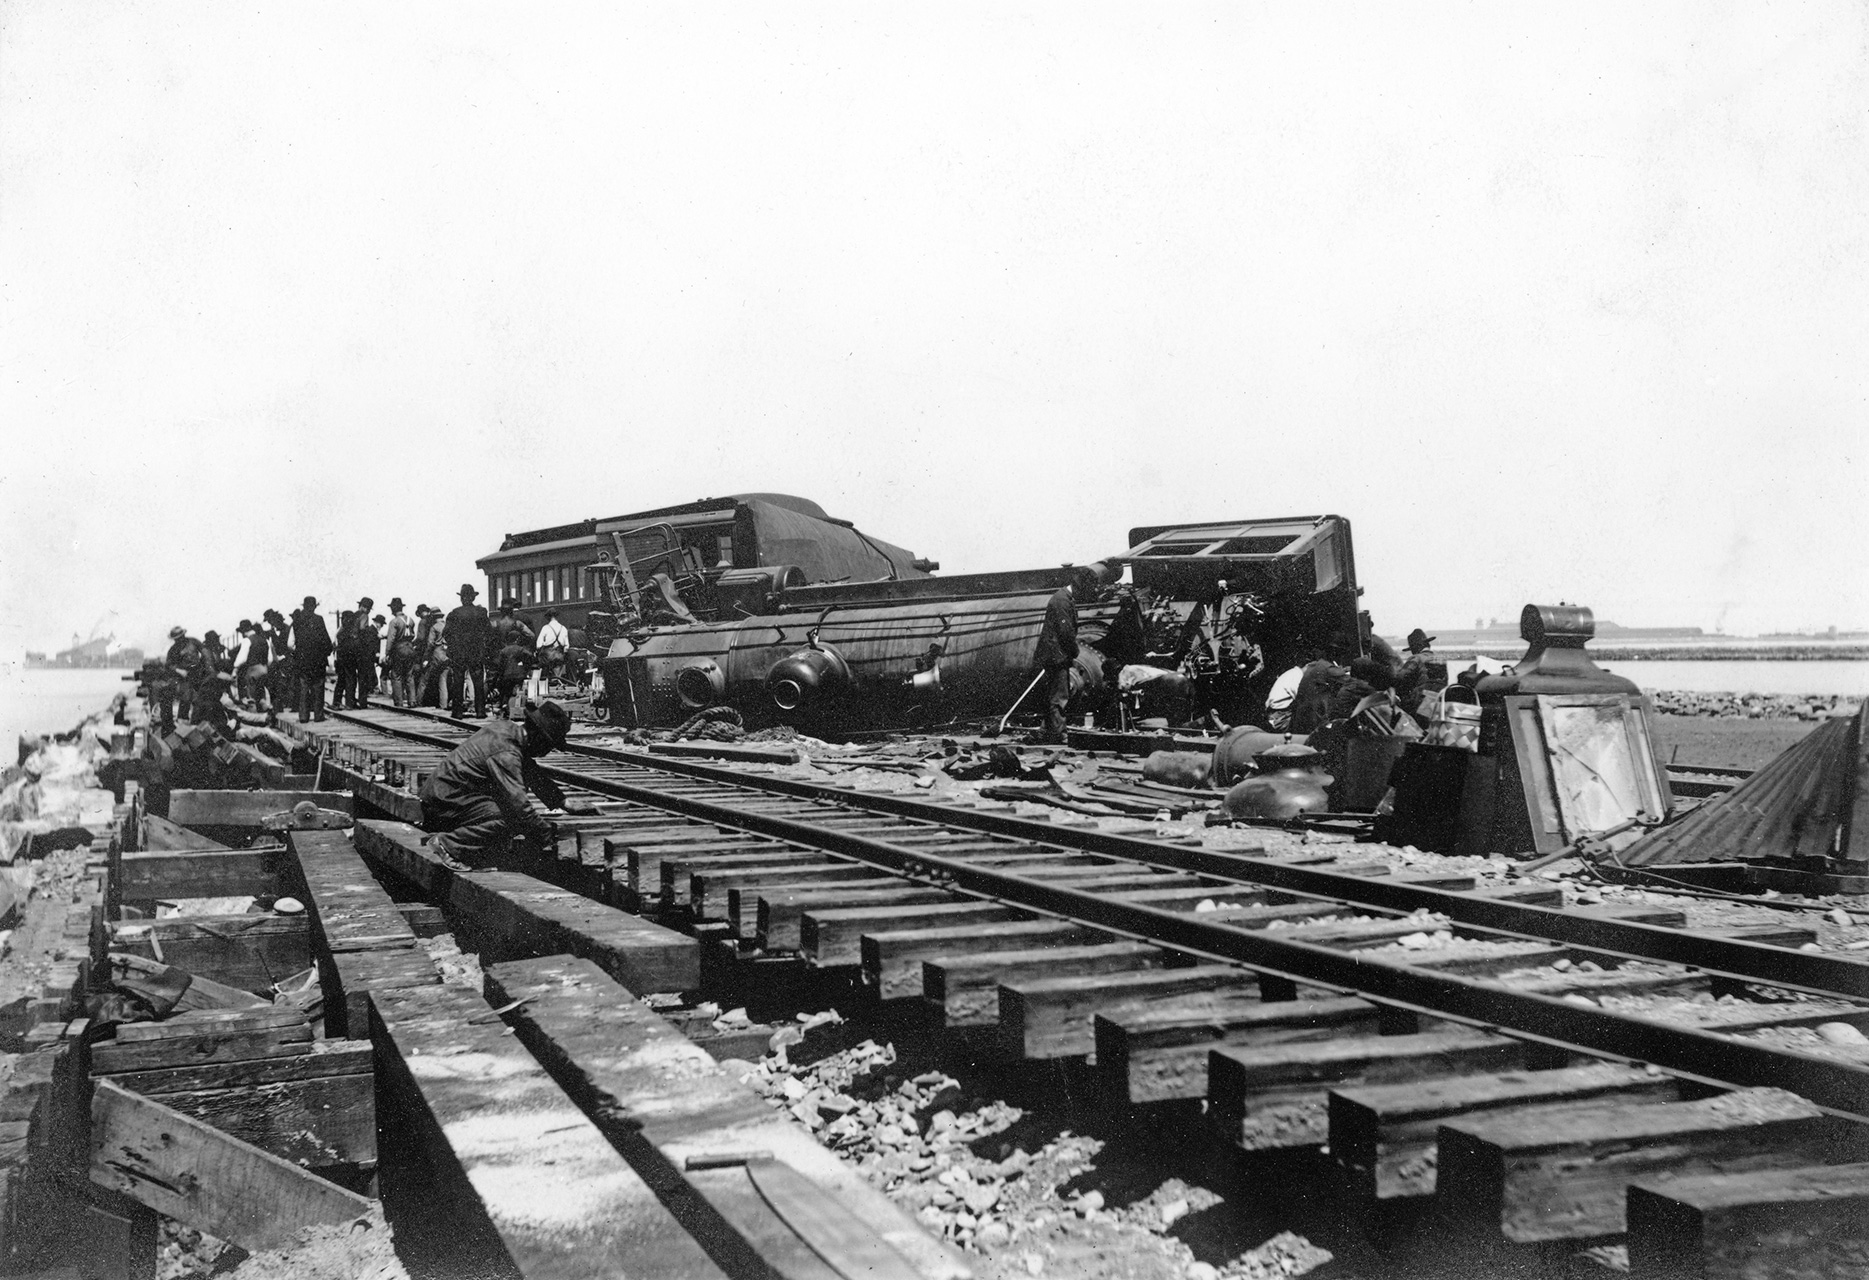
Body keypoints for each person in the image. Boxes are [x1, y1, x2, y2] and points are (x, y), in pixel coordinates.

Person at [418, 701, 571, 871]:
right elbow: (520, 807)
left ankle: (461, 841)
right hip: (443, 803)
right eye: (549, 745)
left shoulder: (506, 729)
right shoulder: (507, 755)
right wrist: (547, 834)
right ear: (538, 738)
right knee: (512, 819)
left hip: (445, 795)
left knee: (506, 813)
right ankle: (448, 844)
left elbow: (530, 770)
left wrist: (563, 802)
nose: (547, 752)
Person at [1028, 562, 1119, 743]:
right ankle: (1058, 735)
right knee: (1060, 696)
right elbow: (1065, 632)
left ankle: (1047, 730)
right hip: (1056, 655)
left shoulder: (1064, 598)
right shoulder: (1062, 601)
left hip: (1055, 654)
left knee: (1055, 694)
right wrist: (1075, 651)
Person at [444, 583, 492, 718]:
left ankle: (457, 711)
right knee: (478, 681)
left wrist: (453, 646)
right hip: (476, 651)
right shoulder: (481, 613)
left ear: (461, 598)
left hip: (459, 652)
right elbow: (489, 632)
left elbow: (446, 633)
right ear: (473, 598)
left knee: (458, 680)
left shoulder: (454, 613)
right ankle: (480, 711)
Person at [291, 596, 333, 721]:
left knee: (304, 687)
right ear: (314, 606)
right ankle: (318, 715)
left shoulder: (297, 621)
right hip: (318, 660)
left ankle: (303, 716)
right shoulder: (318, 619)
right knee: (318, 687)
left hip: (302, 660)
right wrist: (328, 651)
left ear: (303, 606)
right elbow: (325, 638)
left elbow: (291, 642)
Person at [383, 599, 416, 707]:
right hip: (410, 648)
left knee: (396, 675)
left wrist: (387, 653)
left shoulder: (394, 622)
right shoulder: (411, 620)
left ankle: (399, 702)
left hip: (399, 649)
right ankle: (412, 700)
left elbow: (391, 639)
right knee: (409, 675)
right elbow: (413, 635)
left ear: (393, 608)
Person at [232, 620, 270, 709]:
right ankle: (265, 712)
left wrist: (235, 669)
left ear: (243, 631)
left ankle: (255, 718)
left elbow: (242, 659)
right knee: (261, 694)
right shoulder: (265, 640)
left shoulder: (247, 640)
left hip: (252, 670)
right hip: (264, 669)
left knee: (251, 696)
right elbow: (270, 658)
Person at [534, 607, 571, 685]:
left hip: (548, 656)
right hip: (560, 655)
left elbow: (538, 645)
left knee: (544, 666)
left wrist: (544, 645)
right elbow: (567, 646)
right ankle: (558, 681)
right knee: (558, 667)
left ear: (548, 617)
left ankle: (548, 683)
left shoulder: (546, 628)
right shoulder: (563, 628)